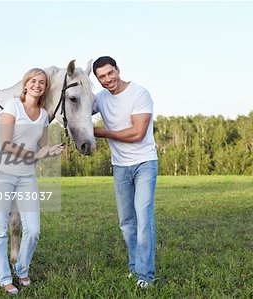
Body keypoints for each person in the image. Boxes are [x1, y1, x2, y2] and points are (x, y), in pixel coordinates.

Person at [0, 68, 66, 294]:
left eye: (42, 82)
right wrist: (34, 156)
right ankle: (3, 278)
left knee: (33, 230)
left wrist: (51, 150)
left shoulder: (43, 115)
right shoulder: (12, 106)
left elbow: (41, 146)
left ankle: (22, 268)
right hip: (2, 174)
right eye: (33, 81)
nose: (37, 85)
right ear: (25, 84)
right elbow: (6, 144)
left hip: (26, 177)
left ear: (45, 88)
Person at [92, 56, 158, 289]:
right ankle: (134, 267)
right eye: (102, 77)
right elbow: (76, 107)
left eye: (110, 73)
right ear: (98, 80)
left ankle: (146, 275)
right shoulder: (100, 99)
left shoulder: (139, 93)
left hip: (144, 164)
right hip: (119, 166)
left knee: (143, 217)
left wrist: (100, 133)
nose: (108, 79)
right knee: (127, 222)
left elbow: (137, 133)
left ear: (118, 70)